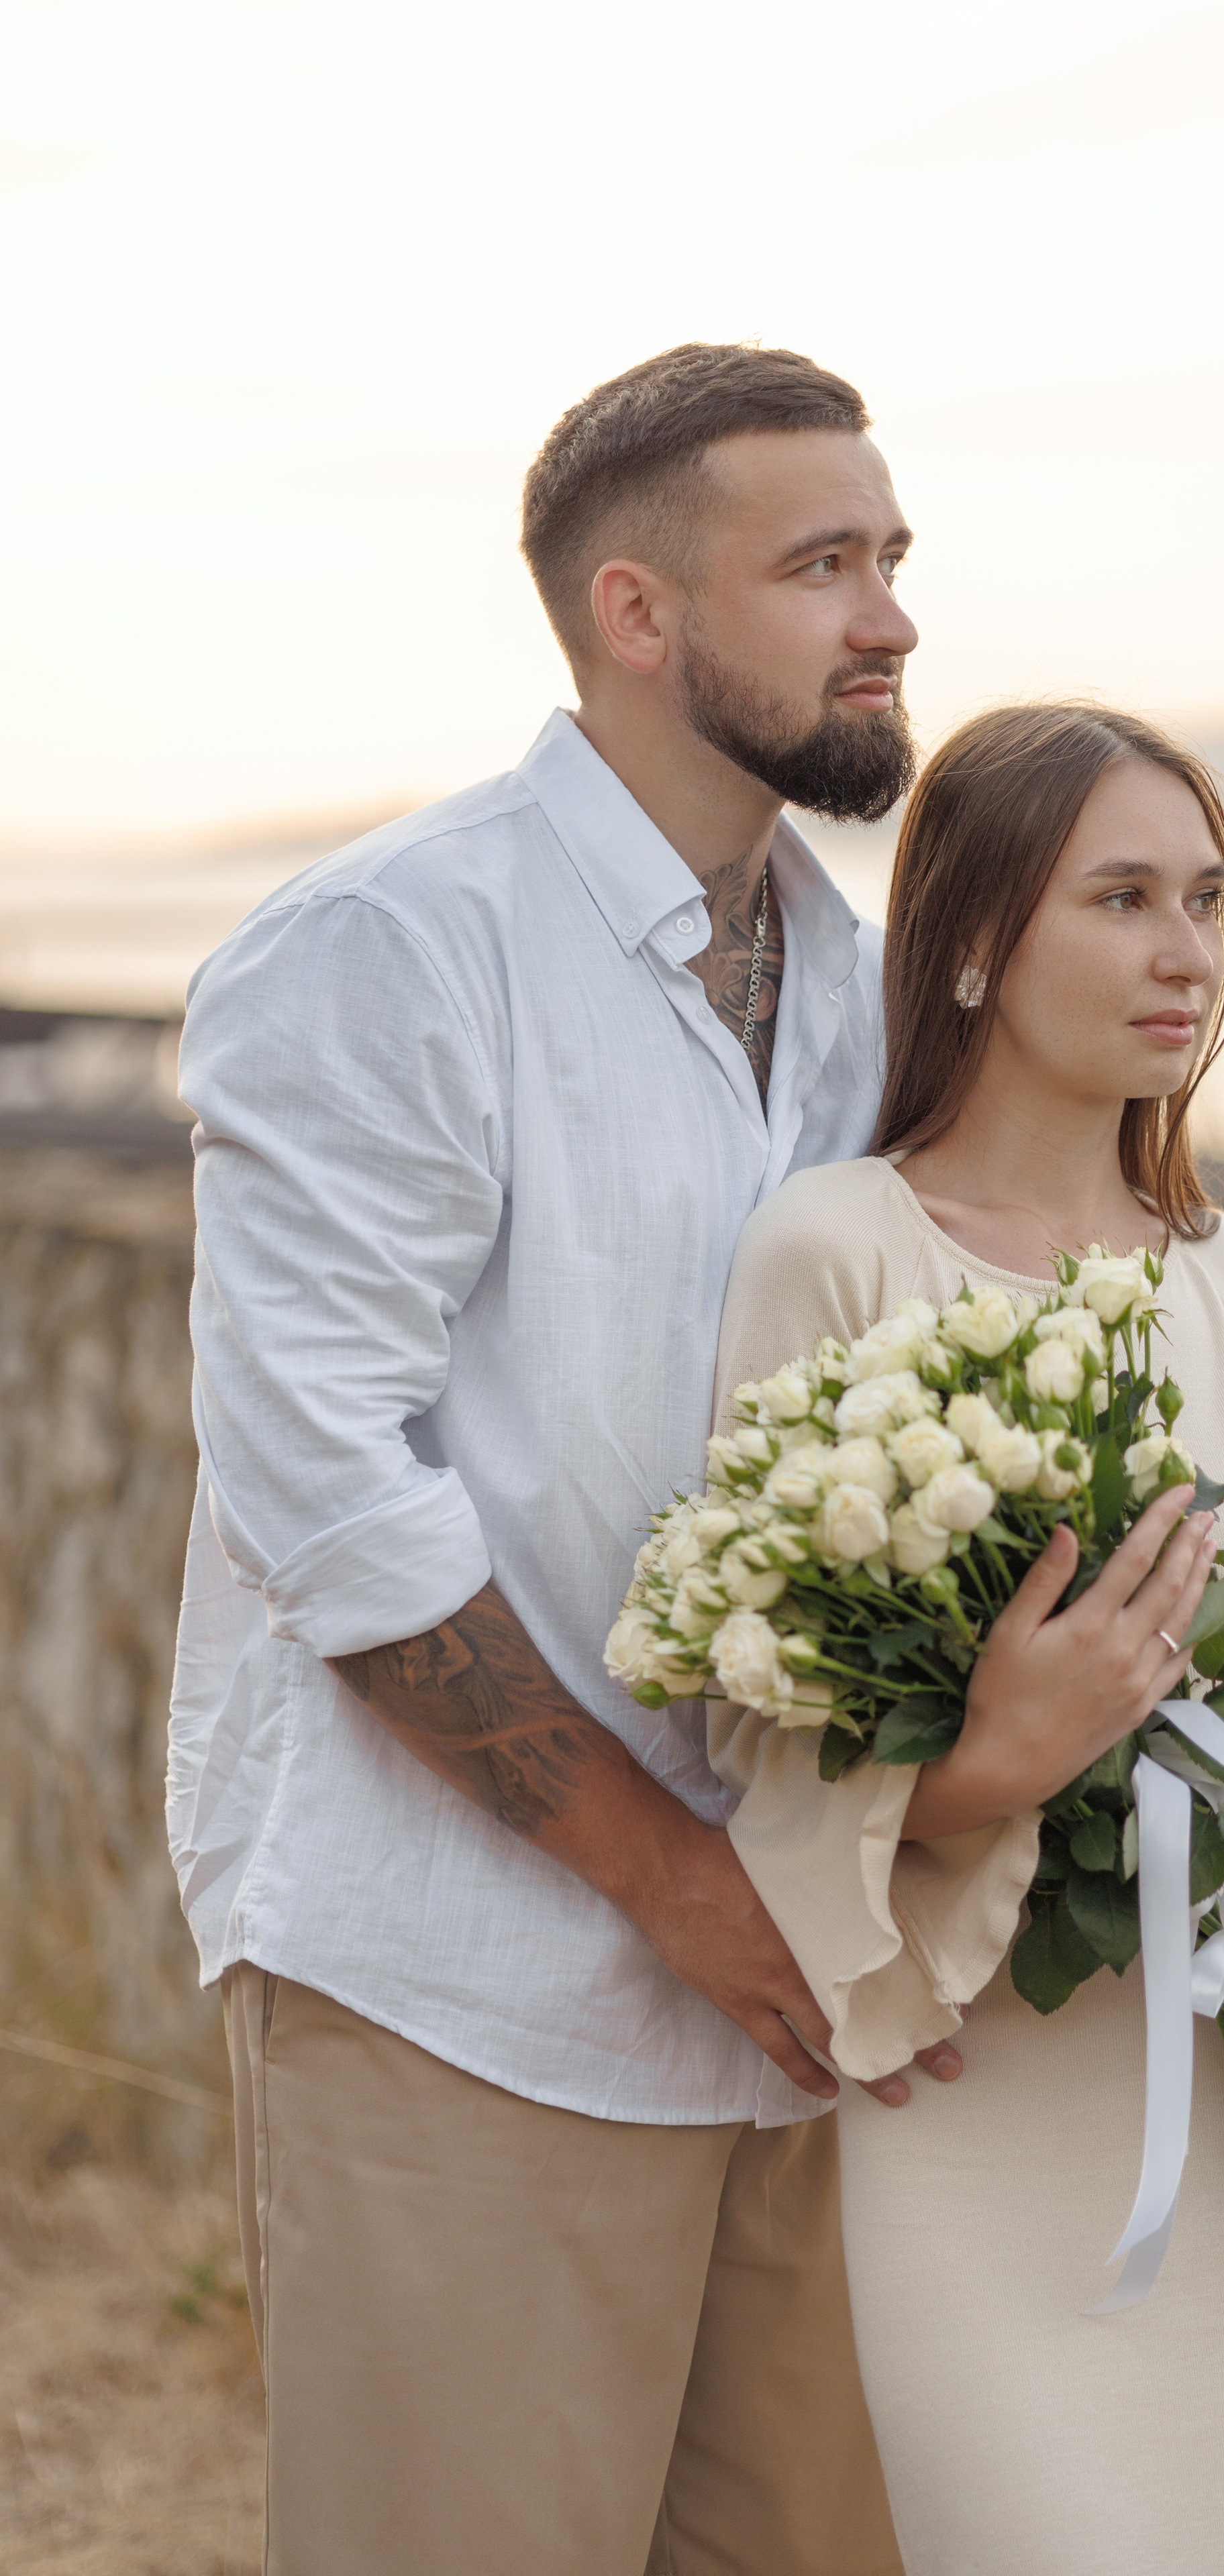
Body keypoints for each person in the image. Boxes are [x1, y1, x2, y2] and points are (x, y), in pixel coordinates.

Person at [168, 341, 944, 2576]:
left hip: (802, 1992)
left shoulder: (861, 986)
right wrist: (672, 1885)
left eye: (892, 559)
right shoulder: (390, 950)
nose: (889, 616)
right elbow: (332, 1500)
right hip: (469, 1990)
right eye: (823, 564)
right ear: (637, 612)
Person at [709, 702, 1224, 2574]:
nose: (1187, 953)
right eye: (1122, 896)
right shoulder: (835, 1251)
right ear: (973, 938)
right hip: (1002, 2117)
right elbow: (766, 1739)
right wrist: (1009, 1753)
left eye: (1208, 900)